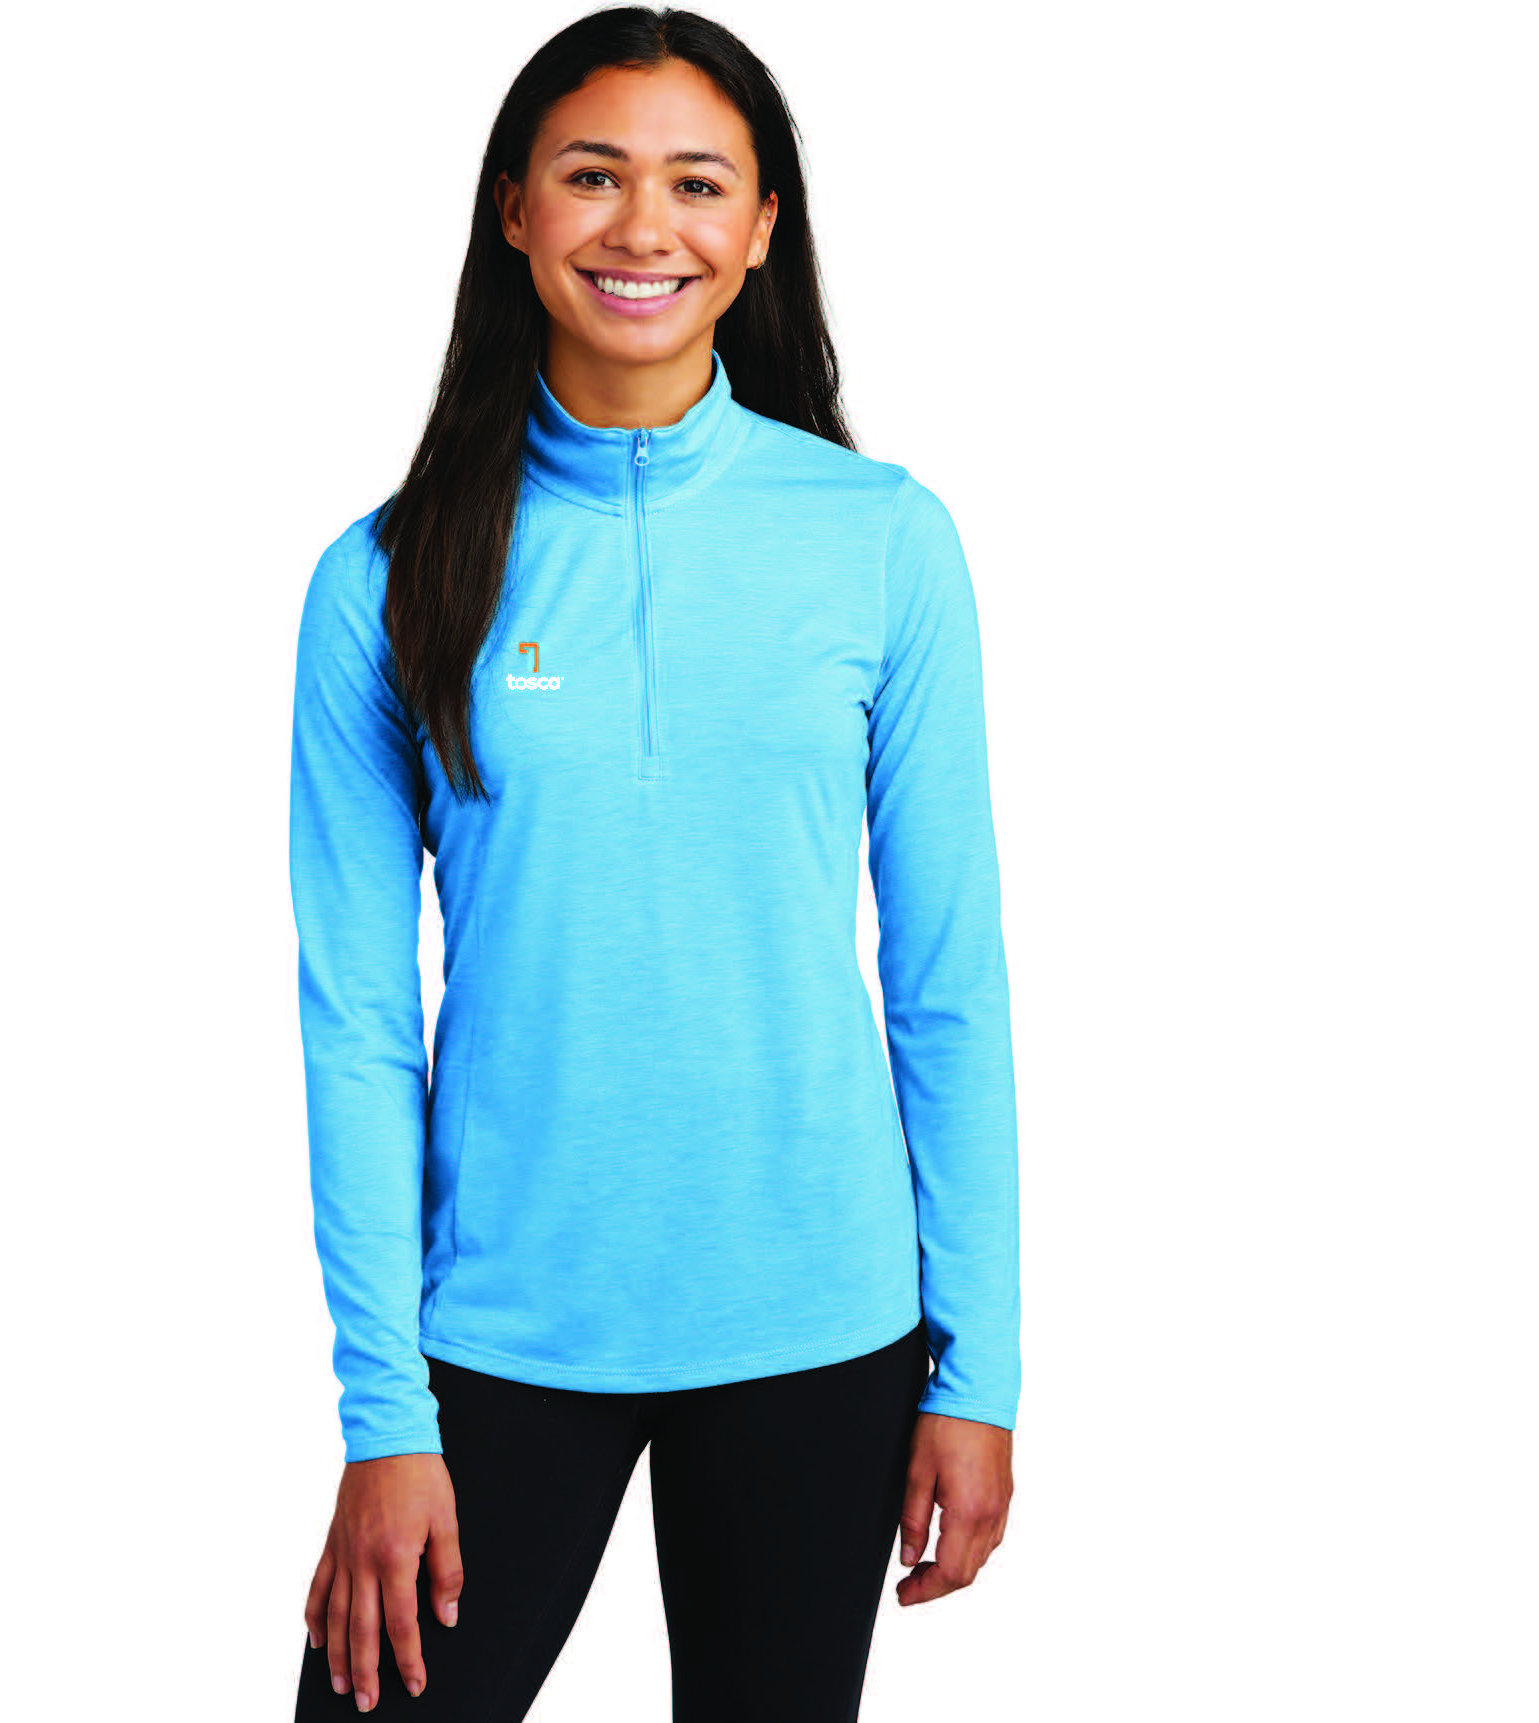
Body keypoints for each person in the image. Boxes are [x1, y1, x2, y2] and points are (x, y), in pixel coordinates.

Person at [288, 8, 1019, 1717]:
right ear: (514, 207)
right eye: (593, 175)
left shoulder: (882, 541)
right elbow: (357, 1023)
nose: (643, 226)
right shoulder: (383, 578)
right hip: (498, 1335)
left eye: (697, 184)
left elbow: (948, 986)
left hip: (820, 1329)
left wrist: (977, 1366)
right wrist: (385, 1412)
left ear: (760, 229)